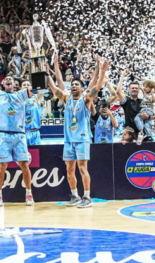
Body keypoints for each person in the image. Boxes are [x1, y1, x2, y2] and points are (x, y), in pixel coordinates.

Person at [46, 55, 108, 208]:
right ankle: (75, 195)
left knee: (82, 168)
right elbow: (55, 87)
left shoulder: (86, 100)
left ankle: (87, 197)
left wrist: (101, 71)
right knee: (69, 169)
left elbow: (96, 87)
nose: (73, 86)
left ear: (82, 88)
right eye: (72, 84)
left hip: (82, 139)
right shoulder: (66, 99)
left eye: (76, 84)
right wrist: (49, 71)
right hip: (69, 140)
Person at [0, 57, 38, 207]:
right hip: (3, 135)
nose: (9, 81)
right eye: (6, 80)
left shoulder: (21, 95)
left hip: (19, 135)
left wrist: (38, 67)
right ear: (3, 84)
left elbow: (38, 87)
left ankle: (29, 194)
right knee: (2, 166)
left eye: (11, 80)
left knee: (25, 165)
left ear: (14, 84)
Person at [22, 80, 45, 146]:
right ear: (21, 88)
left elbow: (43, 87)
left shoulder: (36, 97)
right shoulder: (17, 99)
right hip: (22, 133)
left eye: (28, 85)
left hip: (34, 132)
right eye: (24, 85)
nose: (26, 86)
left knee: (36, 155)